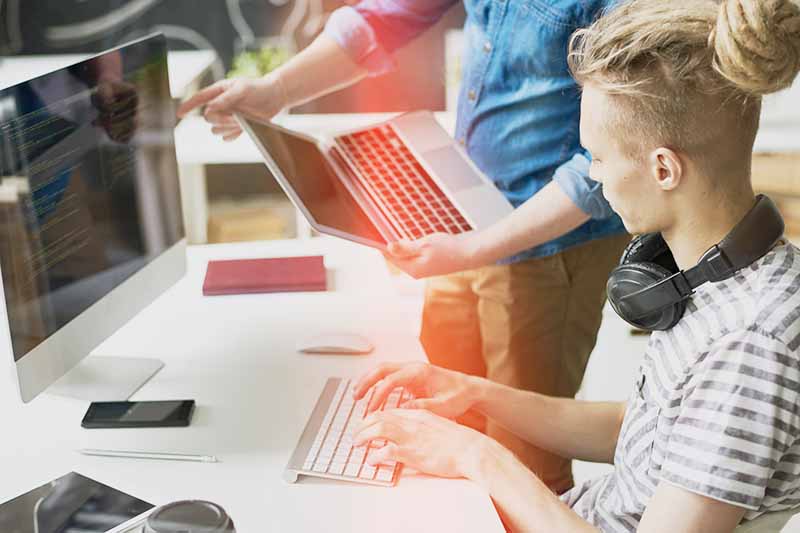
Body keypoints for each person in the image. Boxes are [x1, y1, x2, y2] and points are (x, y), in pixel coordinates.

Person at [349, 0, 800, 531]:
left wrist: (477, 457)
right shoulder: (710, 280)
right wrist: (474, 393)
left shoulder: (748, 344)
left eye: (598, 158)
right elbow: (640, 433)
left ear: (663, 169)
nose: (597, 179)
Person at [177, 0, 629, 493]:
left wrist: (474, 249)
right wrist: (274, 90)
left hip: (547, 243)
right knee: (441, 422)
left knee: (524, 457)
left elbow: (601, 168)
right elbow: (381, 18)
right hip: (463, 213)